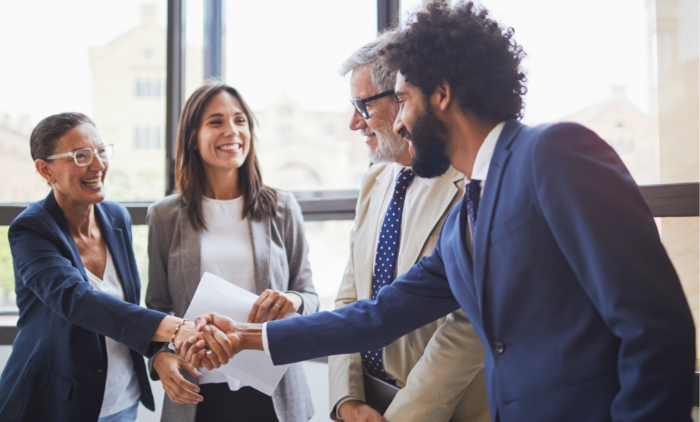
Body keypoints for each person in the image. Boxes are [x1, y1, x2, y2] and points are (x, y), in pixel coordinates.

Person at [183, 3, 696, 421]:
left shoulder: (555, 152)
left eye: (402, 100)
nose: (399, 122)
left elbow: (656, 328)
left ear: (442, 95)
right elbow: (377, 315)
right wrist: (247, 337)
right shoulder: (463, 222)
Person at [0, 112, 232, 422]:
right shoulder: (31, 230)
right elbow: (77, 300)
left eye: (100, 151)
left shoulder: (116, 217)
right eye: (80, 155)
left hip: (122, 400)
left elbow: (125, 307)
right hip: (55, 403)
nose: (97, 165)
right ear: (46, 170)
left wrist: (159, 351)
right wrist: (176, 328)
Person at [329, 32, 489, 422]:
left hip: (440, 411)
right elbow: (350, 300)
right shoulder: (374, 181)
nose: (354, 122)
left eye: (363, 105)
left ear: (405, 98)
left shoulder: (469, 184)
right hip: (367, 400)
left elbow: (468, 326)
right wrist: (346, 400)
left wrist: (404, 416)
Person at [145, 81, 318, 422]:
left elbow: (309, 294)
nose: (232, 131)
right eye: (216, 122)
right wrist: (159, 357)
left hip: (274, 390)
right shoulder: (165, 216)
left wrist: (293, 300)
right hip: (198, 392)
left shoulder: (282, 207)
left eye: (240, 121)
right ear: (192, 138)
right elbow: (157, 308)